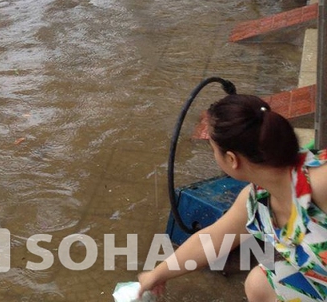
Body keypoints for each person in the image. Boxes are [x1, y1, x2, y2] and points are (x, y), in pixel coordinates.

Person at [138, 94, 327, 302]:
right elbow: (211, 240)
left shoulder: (320, 181)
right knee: (259, 282)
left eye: (213, 151)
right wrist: (157, 275)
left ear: (231, 159)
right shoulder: (258, 200)